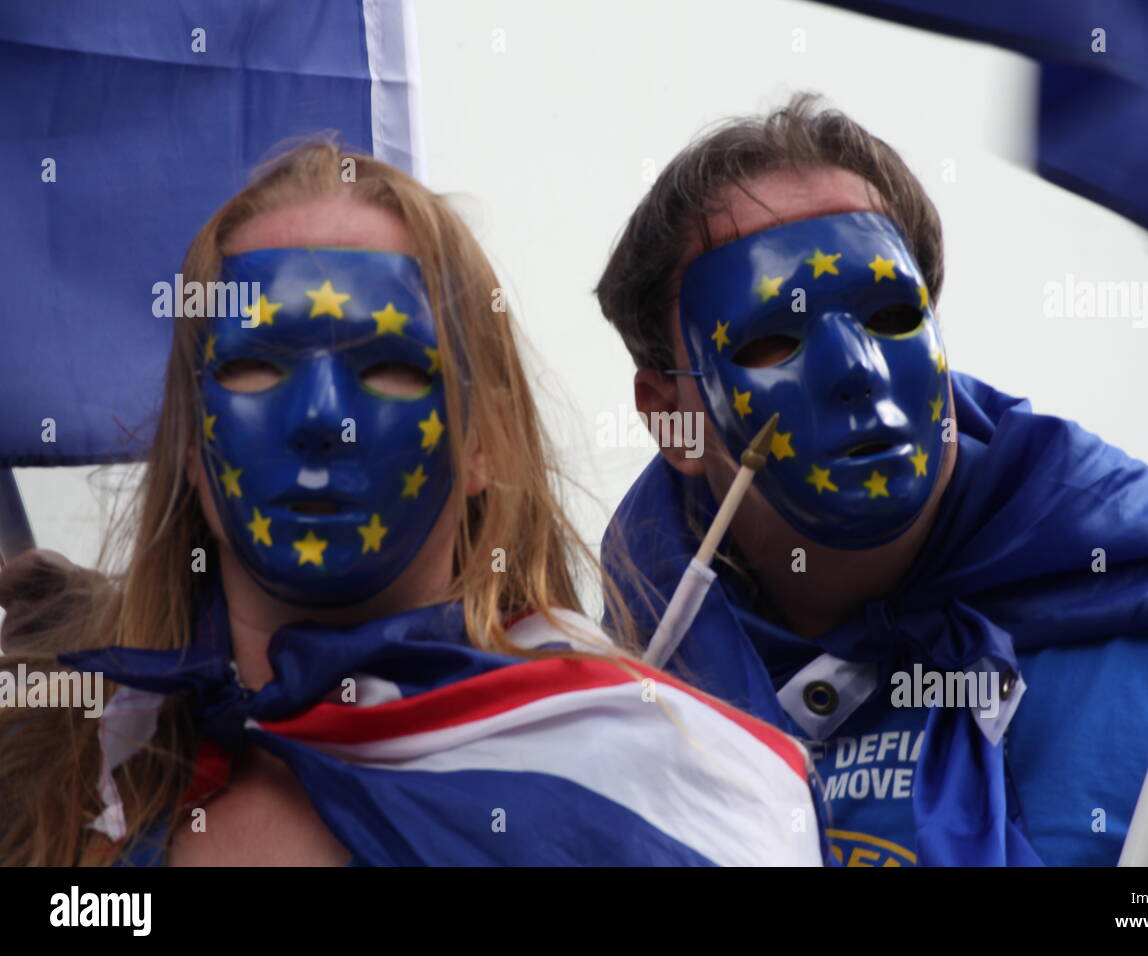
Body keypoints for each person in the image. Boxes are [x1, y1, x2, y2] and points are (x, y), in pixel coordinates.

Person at [0, 140, 828, 867]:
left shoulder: (673, 793)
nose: (322, 419)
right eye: (257, 365)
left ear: (485, 444)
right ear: (190, 442)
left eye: (388, 367)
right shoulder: (61, 762)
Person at [596, 93, 1148, 866]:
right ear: (672, 419)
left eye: (890, 314)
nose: (855, 373)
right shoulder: (613, 734)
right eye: (772, 338)